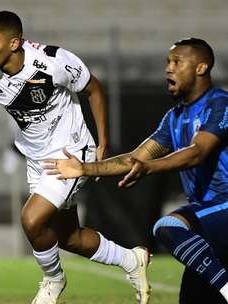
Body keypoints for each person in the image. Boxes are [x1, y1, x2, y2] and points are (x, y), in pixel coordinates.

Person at [0, 11, 151, 304]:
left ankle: (53, 280)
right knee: (70, 238)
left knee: (31, 220)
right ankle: (132, 260)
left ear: (14, 43)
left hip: (71, 152)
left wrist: (103, 144)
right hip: (37, 157)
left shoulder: (53, 62)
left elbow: (94, 89)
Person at [45, 37, 228, 303]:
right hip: (208, 219)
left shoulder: (220, 104)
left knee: (168, 226)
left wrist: (150, 167)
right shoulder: (174, 118)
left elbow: (197, 152)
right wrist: (83, 167)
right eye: (167, 62)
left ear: (201, 68)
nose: (168, 68)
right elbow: (135, 158)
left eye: (177, 62)